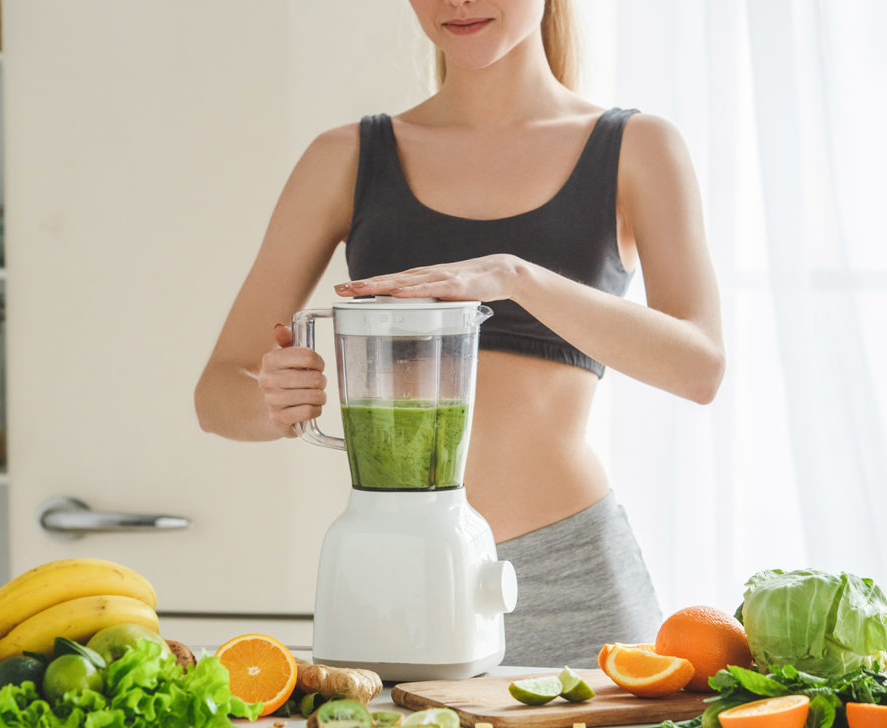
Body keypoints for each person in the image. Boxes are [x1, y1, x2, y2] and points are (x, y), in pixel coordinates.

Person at [194, 0, 723, 668]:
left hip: (573, 580)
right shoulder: (346, 158)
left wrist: (518, 278)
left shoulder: (638, 148)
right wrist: (274, 401)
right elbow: (217, 393)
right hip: (399, 586)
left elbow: (700, 367)